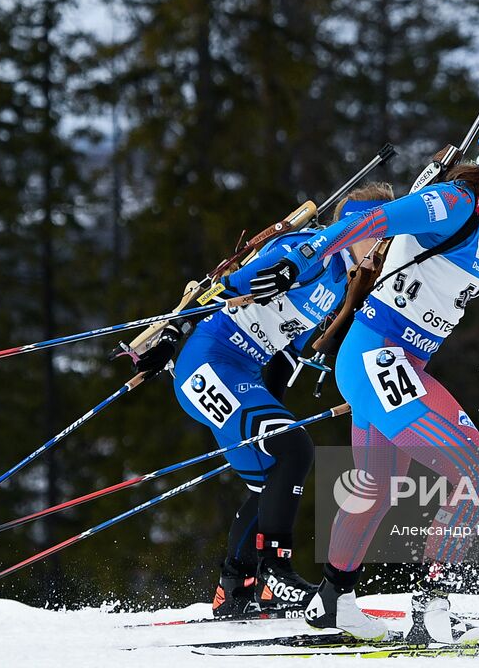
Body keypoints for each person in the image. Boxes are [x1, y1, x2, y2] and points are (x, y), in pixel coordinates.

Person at [247, 114, 479, 642]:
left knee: (377, 486)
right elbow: (371, 220)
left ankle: (333, 602)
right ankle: (433, 607)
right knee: (478, 476)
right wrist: (304, 257)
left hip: (395, 363)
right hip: (379, 357)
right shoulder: (456, 202)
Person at [134, 183, 393, 619]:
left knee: (271, 477)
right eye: (380, 233)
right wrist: (169, 336)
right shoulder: (306, 252)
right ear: (355, 227)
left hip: (242, 375)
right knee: (295, 449)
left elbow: (288, 352)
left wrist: (273, 410)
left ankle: (235, 587)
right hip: (207, 365)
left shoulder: (339, 280)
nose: (386, 245)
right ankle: (275, 572)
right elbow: (218, 289)